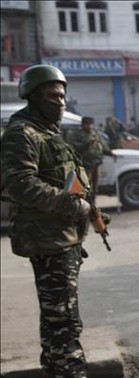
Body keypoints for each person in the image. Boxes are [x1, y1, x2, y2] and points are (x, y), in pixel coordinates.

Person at [0, 64, 93, 377]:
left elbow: (64, 174)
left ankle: (56, 369)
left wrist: (86, 205)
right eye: (52, 96)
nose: (60, 102)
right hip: (48, 240)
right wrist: (72, 204)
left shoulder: (48, 133)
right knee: (64, 322)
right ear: (33, 96)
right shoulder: (22, 133)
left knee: (57, 321)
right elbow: (19, 183)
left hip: (63, 237)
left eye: (63, 95)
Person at [68, 116, 114, 204]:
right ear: (82, 125)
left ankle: (93, 202)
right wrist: (86, 144)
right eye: (87, 124)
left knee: (95, 184)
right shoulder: (77, 134)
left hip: (96, 162)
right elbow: (74, 147)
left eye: (91, 124)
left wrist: (109, 153)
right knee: (86, 184)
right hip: (85, 163)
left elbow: (102, 145)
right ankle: (85, 202)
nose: (89, 126)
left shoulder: (95, 134)